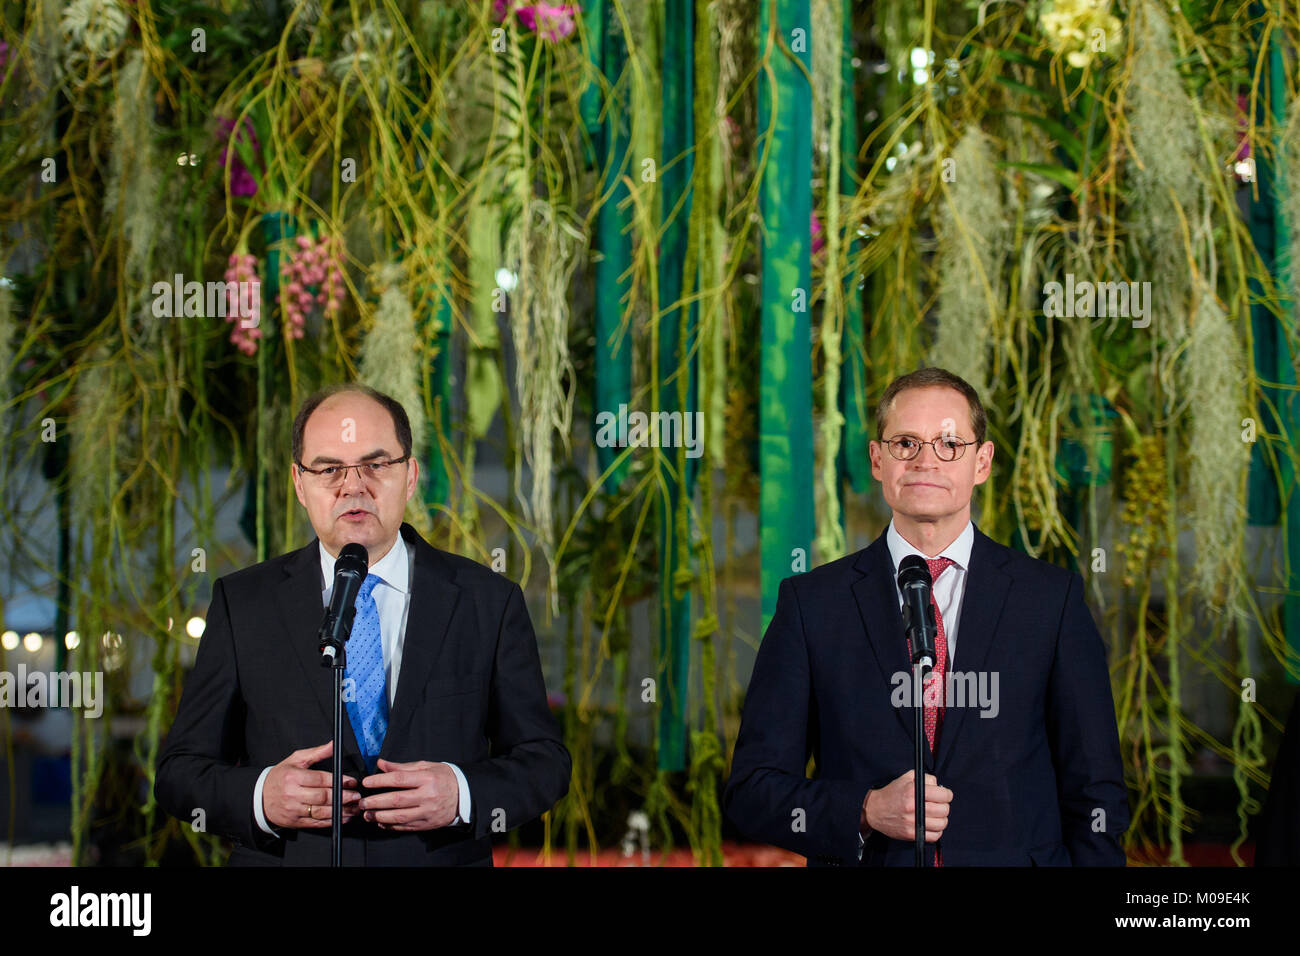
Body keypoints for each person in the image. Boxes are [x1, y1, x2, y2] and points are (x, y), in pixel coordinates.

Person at [723, 367, 1129, 866]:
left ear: (982, 461)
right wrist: (866, 810)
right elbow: (752, 790)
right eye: (906, 444)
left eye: (949, 444)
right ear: (876, 459)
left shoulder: (1050, 600)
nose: (926, 461)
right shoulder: (811, 605)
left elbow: (1096, 791)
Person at [155, 384, 570, 865]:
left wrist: (462, 793)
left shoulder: (487, 600)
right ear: (298, 484)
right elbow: (179, 772)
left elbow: (545, 762)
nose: (353, 486)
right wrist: (261, 796)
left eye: (376, 465)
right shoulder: (243, 603)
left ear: (410, 476)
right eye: (329, 468)